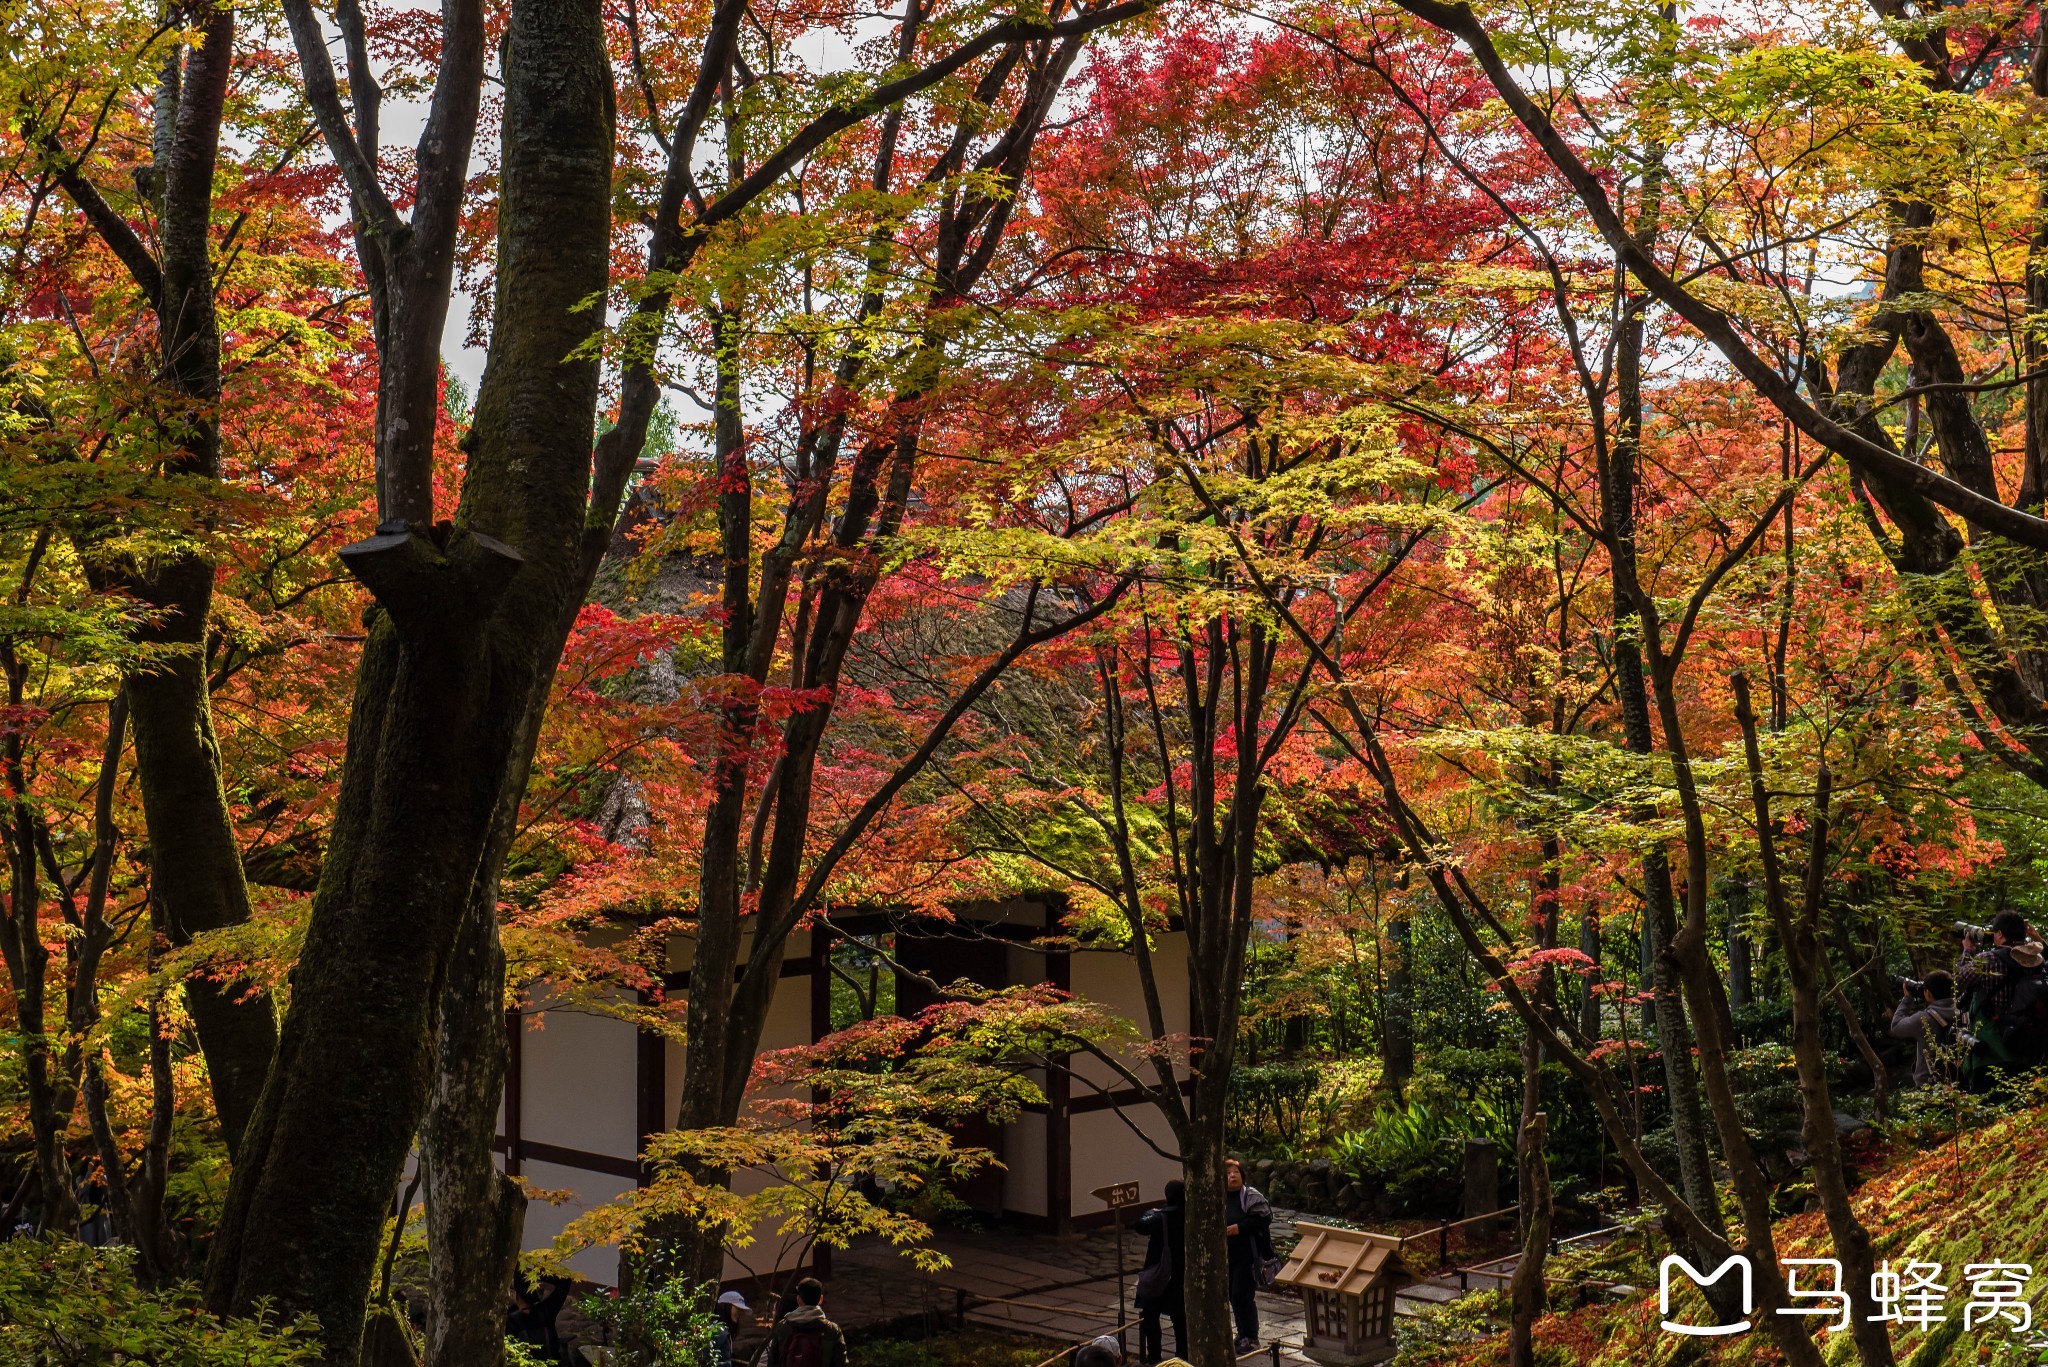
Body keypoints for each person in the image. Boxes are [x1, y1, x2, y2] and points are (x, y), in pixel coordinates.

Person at [1954, 911, 2048, 1086]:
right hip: (2028, 1050)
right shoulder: (2038, 960)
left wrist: (1967, 951)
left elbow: (1957, 980)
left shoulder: (1988, 959)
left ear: (1999, 934)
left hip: (1991, 1051)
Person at [1133, 1180, 1185, 1366]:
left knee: (1151, 1314)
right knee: (1180, 1317)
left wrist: (1150, 1212)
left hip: (1159, 1272)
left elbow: (1140, 1225)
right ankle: (1182, 1357)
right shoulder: (1190, 1215)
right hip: (1181, 1273)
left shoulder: (1160, 1217)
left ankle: (1154, 1356)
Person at [1224, 1158, 1274, 1355]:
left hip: (1248, 1256)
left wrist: (1239, 1228)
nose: (1232, 1176)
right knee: (1232, 1296)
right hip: (1228, 1256)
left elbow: (1264, 1218)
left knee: (1241, 1295)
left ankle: (1251, 1336)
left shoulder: (1251, 1196)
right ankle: (1242, 1333)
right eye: (1228, 1173)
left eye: (1236, 1172)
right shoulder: (1219, 1197)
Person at [1889, 971, 1960, 1087]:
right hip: (1959, 1080)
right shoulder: (1960, 1011)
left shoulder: (1925, 1018)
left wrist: (1907, 999)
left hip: (1930, 1084)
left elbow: (1896, 1026)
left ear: (1927, 993)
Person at [758, 1277, 847, 1367]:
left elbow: (772, 1362)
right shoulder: (832, 1330)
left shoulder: (783, 1328)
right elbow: (841, 1363)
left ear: (798, 1299)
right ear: (821, 1299)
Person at [709, 1289, 749, 1367]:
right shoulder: (719, 1333)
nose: (740, 1313)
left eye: (742, 1310)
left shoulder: (719, 1330)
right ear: (726, 1307)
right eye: (738, 1308)